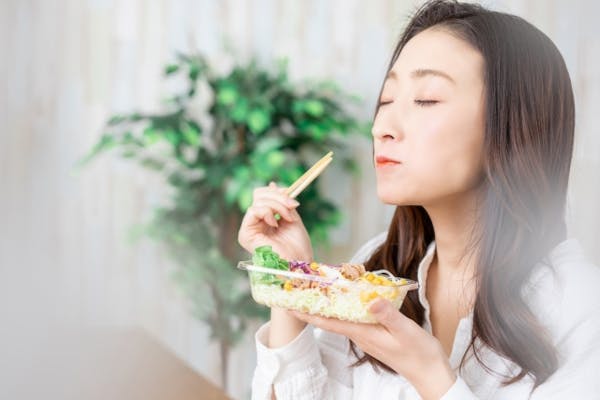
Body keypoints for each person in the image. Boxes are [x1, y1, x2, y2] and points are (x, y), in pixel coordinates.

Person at [237, 1, 600, 399]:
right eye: (387, 100)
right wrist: (291, 280)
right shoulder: (377, 267)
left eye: (426, 99)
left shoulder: (581, 308)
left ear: (514, 124)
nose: (381, 127)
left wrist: (430, 374)